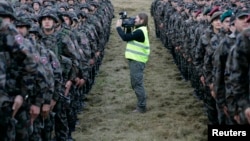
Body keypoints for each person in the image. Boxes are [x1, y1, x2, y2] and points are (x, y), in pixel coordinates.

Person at [116, 12, 150, 113]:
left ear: (142, 20)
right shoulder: (140, 30)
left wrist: (118, 27)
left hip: (137, 61)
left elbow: (125, 37)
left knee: (137, 84)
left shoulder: (140, 31)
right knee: (135, 83)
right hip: (136, 60)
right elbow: (129, 38)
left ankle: (141, 107)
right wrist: (129, 26)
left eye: (136, 19)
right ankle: (141, 104)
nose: (134, 20)